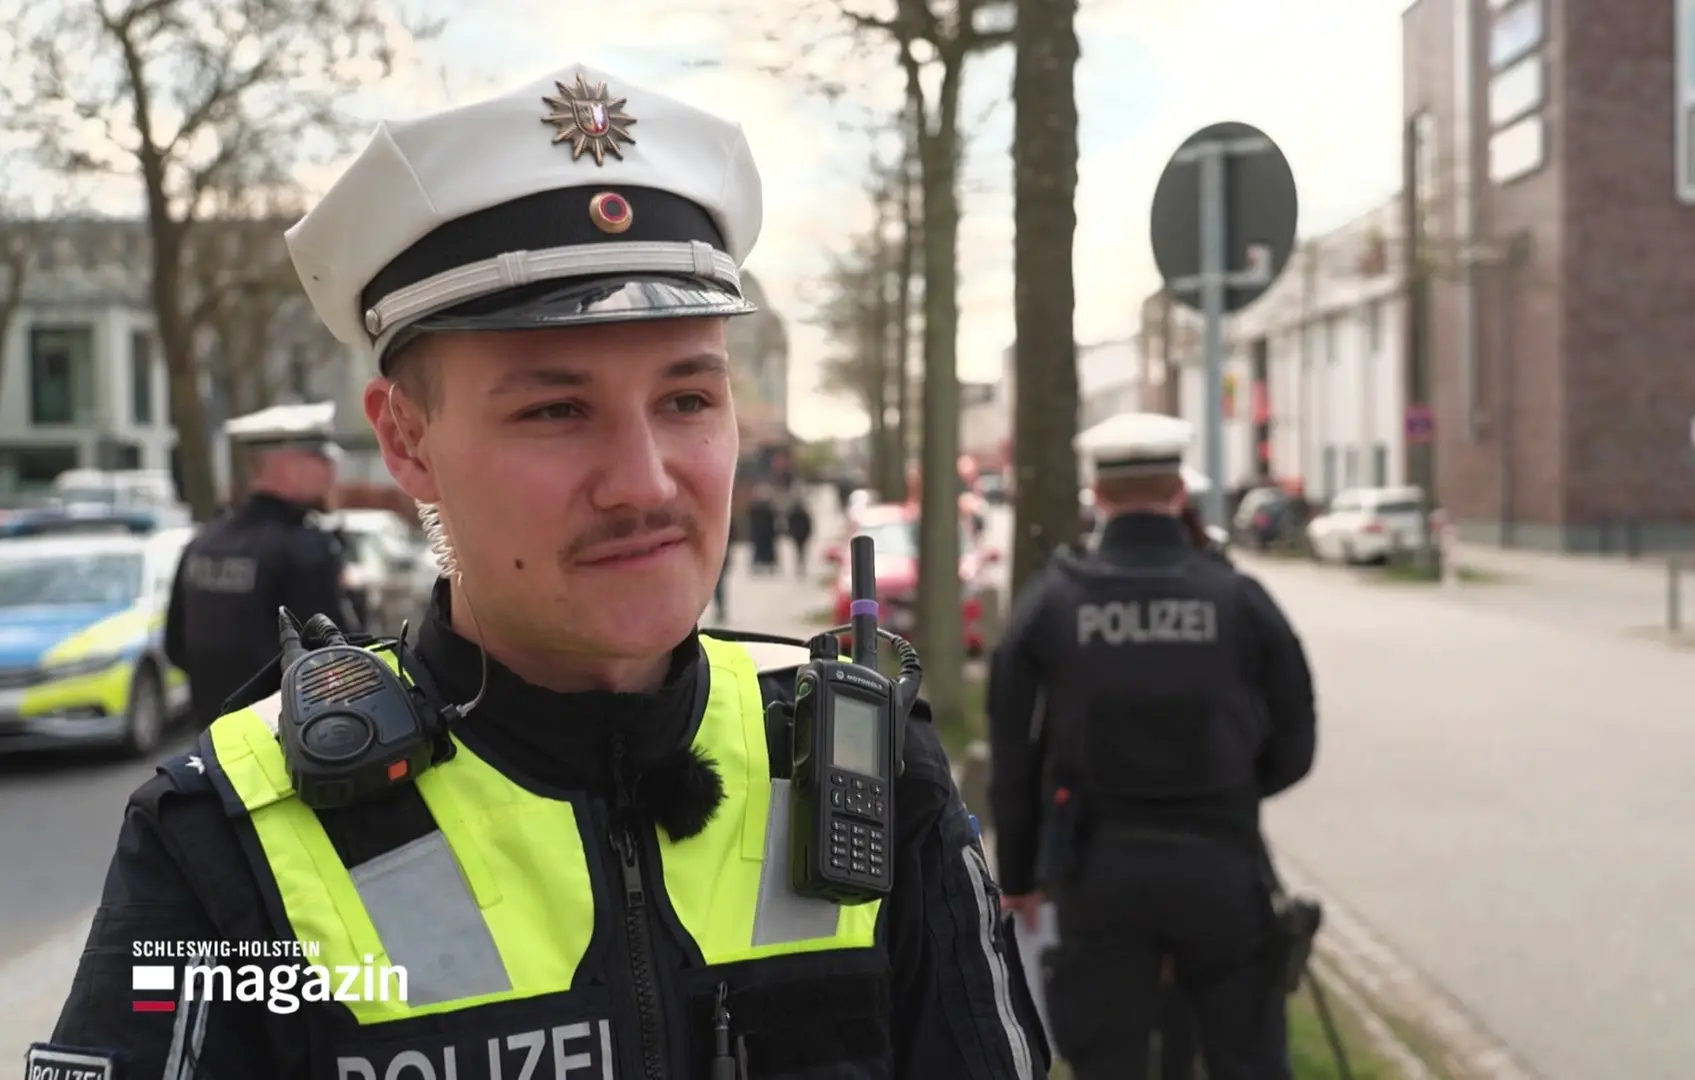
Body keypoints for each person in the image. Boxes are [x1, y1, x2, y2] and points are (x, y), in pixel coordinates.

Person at [32, 63, 1047, 1080]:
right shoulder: (225, 843)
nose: (644, 484)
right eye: (555, 410)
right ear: (408, 439)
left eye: (688, 399)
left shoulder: (867, 767)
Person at [986, 411, 1318, 1080]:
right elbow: (1297, 740)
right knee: (1244, 1058)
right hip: (1223, 872)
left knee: (1109, 1063)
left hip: (1096, 876)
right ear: (1178, 492)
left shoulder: (1051, 603)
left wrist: (1019, 876)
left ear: (1098, 495)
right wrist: (1233, 790)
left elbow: (1012, 753)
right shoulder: (1238, 597)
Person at [163, 402, 351, 731]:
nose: (331, 471)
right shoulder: (304, 549)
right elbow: (338, 660)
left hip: (215, 746)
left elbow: (175, 648)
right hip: (287, 743)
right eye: (321, 459)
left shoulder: (204, 542)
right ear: (287, 466)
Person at [784, 489, 814, 577]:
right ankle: (800, 565)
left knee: (799, 550)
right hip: (799, 533)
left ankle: (800, 565)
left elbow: (808, 523)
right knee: (800, 550)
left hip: (799, 533)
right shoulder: (797, 511)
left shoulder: (795, 511)